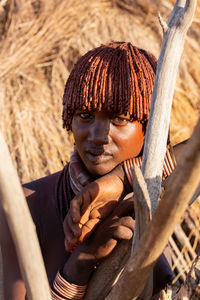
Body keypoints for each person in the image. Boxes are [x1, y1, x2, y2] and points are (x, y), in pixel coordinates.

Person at [0, 42, 188, 299]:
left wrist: (123, 178)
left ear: (151, 128)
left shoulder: (150, 203)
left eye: (120, 118)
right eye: (85, 115)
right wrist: (81, 263)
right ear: (70, 119)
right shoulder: (27, 206)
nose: (99, 136)